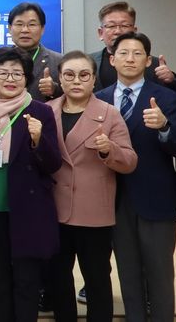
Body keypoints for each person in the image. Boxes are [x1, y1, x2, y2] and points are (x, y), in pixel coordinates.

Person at [94, 32, 176, 322]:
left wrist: (164, 127)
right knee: (128, 272)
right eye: (123, 53)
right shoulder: (99, 99)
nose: (130, 59)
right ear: (112, 59)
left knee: (160, 274)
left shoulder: (167, 98)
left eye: (137, 54)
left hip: (155, 198)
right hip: (113, 199)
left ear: (148, 61)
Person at [0, 46, 61, 322]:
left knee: (26, 279)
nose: (10, 79)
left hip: (27, 209)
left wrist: (38, 140)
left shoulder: (40, 111)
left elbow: (54, 164)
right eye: (3, 73)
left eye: (17, 74)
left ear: (26, 78)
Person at [48, 51, 137, 322]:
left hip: (93, 214)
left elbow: (130, 161)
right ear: (59, 78)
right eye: (69, 75)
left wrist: (109, 150)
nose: (76, 81)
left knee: (97, 279)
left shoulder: (109, 114)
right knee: (58, 279)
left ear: (94, 79)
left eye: (84, 75)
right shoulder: (46, 111)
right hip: (54, 211)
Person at [88, 1, 175, 91]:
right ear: (100, 33)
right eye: (111, 26)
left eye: (124, 25)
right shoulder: (88, 62)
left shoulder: (155, 64)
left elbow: (168, 94)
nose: (118, 31)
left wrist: (171, 81)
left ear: (134, 31)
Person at [1, 2, 62, 102]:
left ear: (42, 29)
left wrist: (54, 90)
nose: (25, 30)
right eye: (19, 24)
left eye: (32, 24)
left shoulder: (59, 61)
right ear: (9, 28)